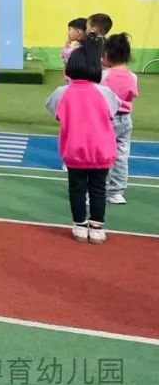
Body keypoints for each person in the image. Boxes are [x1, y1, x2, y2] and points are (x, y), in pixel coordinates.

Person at [45, 37, 119, 243]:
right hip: (101, 149)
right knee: (98, 188)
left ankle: (79, 225)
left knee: (76, 188)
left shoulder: (62, 92)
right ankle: (96, 227)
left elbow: (55, 112)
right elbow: (112, 112)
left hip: (74, 149)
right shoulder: (105, 92)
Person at [101, 33, 139, 206]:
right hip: (125, 120)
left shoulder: (104, 75)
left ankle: (94, 190)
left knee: (99, 156)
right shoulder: (133, 76)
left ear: (106, 55)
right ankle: (116, 192)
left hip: (106, 120)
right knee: (122, 156)